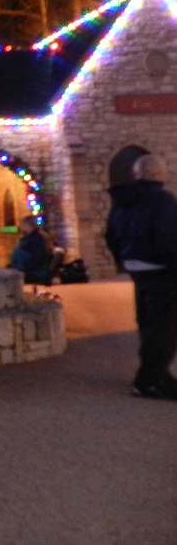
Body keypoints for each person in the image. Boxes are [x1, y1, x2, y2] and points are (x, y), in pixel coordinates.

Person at [105, 154, 177, 401]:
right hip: (161, 270)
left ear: (136, 174)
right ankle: (148, 381)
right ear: (161, 174)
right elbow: (168, 239)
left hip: (136, 267)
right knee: (165, 327)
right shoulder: (163, 201)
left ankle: (158, 374)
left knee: (148, 323)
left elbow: (111, 235)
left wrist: (124, 259)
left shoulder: (123, 201)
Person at [9, 215, 53, 283]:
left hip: (33, 273)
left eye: (22, 225)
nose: (21, 227)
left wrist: (22, 268)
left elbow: (38, 258)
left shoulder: (36, 239)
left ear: (28, 225)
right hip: (24, 271)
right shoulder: (30, 238)